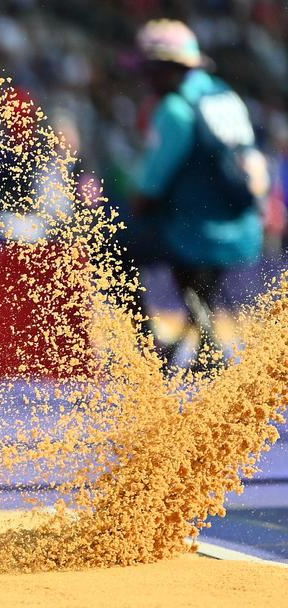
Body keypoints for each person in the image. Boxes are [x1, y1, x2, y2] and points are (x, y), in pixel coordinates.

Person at [127, 20, 267, 371]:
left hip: (197, 237)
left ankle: (146, 350)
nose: (144, 79)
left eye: (149, 70)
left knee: (112, 250)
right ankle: (203, 342)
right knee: (191, 278)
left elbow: (148, 192)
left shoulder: (175, 109)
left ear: (167, 68)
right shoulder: (223, 94)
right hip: (246, 230)